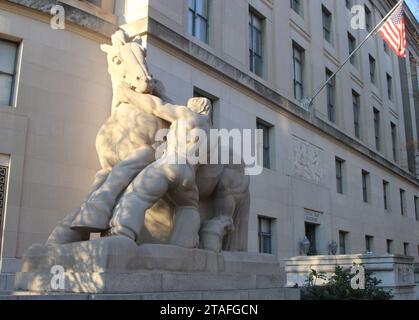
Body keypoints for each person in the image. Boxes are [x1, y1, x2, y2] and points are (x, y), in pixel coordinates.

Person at [108, 83, 213, 247]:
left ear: (193, 107)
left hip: (171, 164)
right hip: (189, 176)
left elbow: (158, 107)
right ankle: (184, 243)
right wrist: (161, 93)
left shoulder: (186, 115)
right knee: (189, 206)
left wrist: (128, 94)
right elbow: (173, 108)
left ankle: (122, 232)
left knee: (138, 193)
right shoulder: (210, 133)